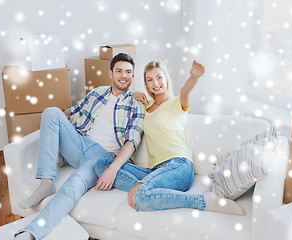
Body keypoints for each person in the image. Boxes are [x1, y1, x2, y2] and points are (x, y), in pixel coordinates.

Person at [14, 53, 145, 240]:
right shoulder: (98, 92)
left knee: (73, 185)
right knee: (51, 112)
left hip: (102, 158)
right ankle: (46, 182)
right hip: (80, 142)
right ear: (111, 73)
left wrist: (113, 168)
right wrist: (57, 125)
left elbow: (132, 142)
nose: (123, 75)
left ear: (133, 76)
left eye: (128, 72)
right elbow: (72, 111)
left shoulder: (136, 104)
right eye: (119, 71)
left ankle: (31, 232)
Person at [94, 60, 245, 215]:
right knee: (101, 165)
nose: (155, 83)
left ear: (166, 78)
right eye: (150, 80)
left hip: (179, 165)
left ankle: (202, 201)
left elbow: (185, 91)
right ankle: (148, 190)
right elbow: (120, 97)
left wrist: (194, 77)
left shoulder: (177, 102)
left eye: (159, 77)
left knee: (137, 198)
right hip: (155, 171)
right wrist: (132, 93)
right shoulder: (145, 106)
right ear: (146, 83)